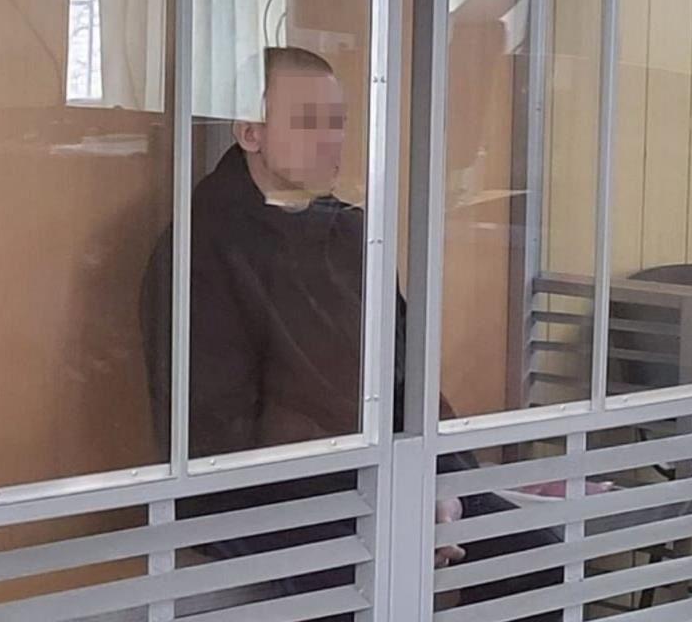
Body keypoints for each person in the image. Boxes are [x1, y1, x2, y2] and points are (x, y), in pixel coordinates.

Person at [140, 46, 560, 620]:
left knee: (537, 561)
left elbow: (407, 379)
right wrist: (389, 498)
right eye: (307, 121)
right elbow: (220, 433)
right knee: (373, 582)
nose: (331, 140)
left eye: (336, 121)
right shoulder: (201, 250)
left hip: (381, 474)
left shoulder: (352, 234)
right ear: (250, 132)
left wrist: (442, 480)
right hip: (263, 496)